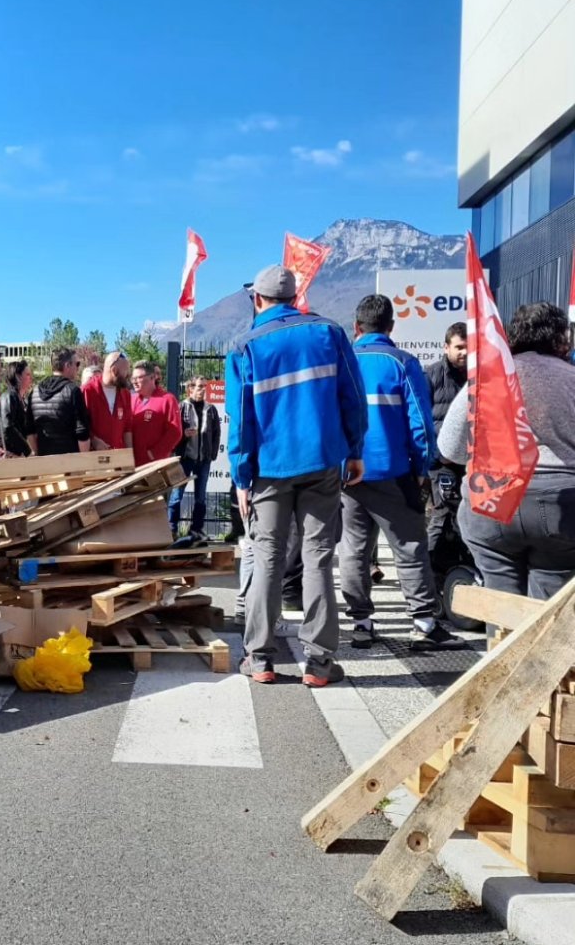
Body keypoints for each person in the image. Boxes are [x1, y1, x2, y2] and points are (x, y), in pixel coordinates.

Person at [227, 264, 367, 687]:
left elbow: (240, 422)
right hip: (322, 461)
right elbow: (353, 398)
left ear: (258, 300)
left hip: (269, 468)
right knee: (318, 557)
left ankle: (260, 659)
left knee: (268, 559)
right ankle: (320, 664)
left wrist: (241, 477)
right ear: (294, 298)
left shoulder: (246, 344)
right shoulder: (329, 333)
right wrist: (354, 450)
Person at [338, 295, 463, 651]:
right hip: (394, 472)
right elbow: (421, 423)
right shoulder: (403, 363)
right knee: (409, 547)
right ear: (391, 327)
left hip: (349, 476)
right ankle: (424, 624)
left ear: (357, 327)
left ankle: (361, 623)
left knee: (354, 550)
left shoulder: (341, 363)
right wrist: (422, 468)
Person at [439, 302, 575, 600]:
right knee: (551, 602)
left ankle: (503, 640)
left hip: (492, 501)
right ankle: (543, 643)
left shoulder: (487, 379)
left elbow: (450, 448)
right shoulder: (571, 378)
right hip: (561, 506)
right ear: (560, 339)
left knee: (500, 602)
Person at [424, 322, 468, 572]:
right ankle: (431, 574)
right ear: (446, 347)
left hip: (472, 463)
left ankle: (462, 568)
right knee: (442, 516)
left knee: (468, 518)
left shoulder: (481, 376)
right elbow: (423, 420)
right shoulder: (431, 375)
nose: (464, 353)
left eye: (469, 348)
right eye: (459, 347)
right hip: (443, 463)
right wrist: (441, 454)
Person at [168, 377, 221, 539]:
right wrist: (184, 435)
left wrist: (212, 454)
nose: (203, 389)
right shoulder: (182, 407)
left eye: (205, 386)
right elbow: (173, 431)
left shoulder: (210, 409)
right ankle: (172, 529)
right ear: (190, 389)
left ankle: (196, 529)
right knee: (177, 495)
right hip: (185, 459)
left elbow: (216, 433)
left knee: (200, 497)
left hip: (203, 460)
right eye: (199, 387)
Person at [25, 347, 92, 456]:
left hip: (45, 461)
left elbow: (29, 430)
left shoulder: (34, 392)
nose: (78, 368)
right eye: (77, 364)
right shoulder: (73, 391)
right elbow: (82, 431)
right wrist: (83, 461)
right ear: (67, 365)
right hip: (70, 462)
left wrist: (38, 454)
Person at [131, 361, 182, 467]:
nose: (135, 382)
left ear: (152, 377)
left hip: (154, 466)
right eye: (133, 378)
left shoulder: (167, 399)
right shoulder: (132, 400)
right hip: (132, 464)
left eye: (139, 378)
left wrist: (155, 454)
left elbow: (175, 431)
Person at [82, 350, 133, 452]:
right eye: (125, 373)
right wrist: (93, 440)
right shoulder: (87, 391)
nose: (128, 376)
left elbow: (127, 428)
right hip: (94, 459)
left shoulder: (125, 394)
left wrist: (129, 456)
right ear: (114, 370)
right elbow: (80, 425)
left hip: (117, 459)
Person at [0, 359, 32, 458]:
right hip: (10, 454)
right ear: (18, 376)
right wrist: (27, 450)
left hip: (19, 454)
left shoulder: (22, 400)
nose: (31, 378)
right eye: (27, 375)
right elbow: (7, 427)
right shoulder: (9, 396)